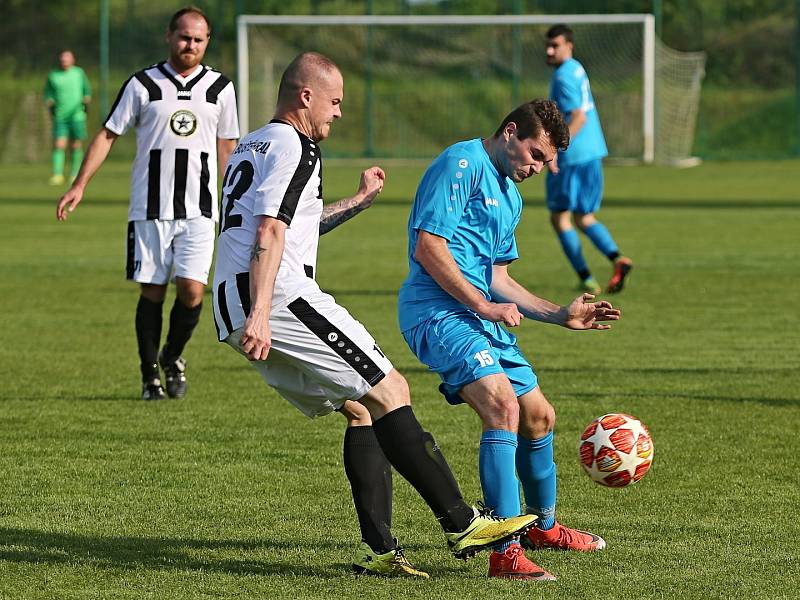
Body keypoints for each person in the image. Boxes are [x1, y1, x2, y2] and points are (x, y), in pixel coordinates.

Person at [211, 51, 537, 577]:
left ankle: (381, 551)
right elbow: (270, 234)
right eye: (335, 101)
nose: (339, 113)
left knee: (362, 408)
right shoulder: (299, 147)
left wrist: (358, 201)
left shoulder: (254, 144)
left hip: (233, 298)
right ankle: (461, 523)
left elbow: (290, 227)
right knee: (392, 390)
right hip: (276, 298)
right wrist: (261, 314)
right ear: (305, 96)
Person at [398, 99, 622, 580]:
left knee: (539, 416)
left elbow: (498, 276)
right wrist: (481, 305)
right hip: (435, 312)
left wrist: (560, 314)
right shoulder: (461, 163)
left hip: (479, 316)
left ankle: (543, 526)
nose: (541, 167)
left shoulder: (512, 196)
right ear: (511, 133)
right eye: (537, 155)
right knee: (502, 406)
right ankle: (505, 551)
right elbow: (428, 245)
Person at [56, 7, 240, 400]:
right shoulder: (142, 84)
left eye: (198, 39)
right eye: (183, 36)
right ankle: (149, 377)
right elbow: (108, 135)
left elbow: (228, 146)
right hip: (149, 208)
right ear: (169, 36)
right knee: (152, 291)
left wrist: (235, 197)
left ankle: (172, 356)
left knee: (192, 291)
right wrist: (79, 185)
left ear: (207, 42)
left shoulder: (221, 88)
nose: (189, 45)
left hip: (200, 210)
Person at [545, 24, 633, 294]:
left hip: (572, 157)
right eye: (548, 45)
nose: (549, 50)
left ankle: (586, 279)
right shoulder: (577, 68)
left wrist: (555, 149)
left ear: (569, 45)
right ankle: (617, 258)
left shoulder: (563, 77)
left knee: (560, 219)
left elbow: (578, 116)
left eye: (555, 45)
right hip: (593, 153)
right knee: (584, 217)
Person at [44, 50, 91, 185]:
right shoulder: (53, 75)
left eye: (67, 58)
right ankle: (57, 174)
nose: (64, 61)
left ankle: (74, 173)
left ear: (72, 60)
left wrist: (86, 102)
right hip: (60, 116)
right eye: (62, 59)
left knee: (76, 145)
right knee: (59, 144)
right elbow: (48, 93)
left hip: (77, 116)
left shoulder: (78, 73)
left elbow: (86, 91)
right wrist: (50, 102)